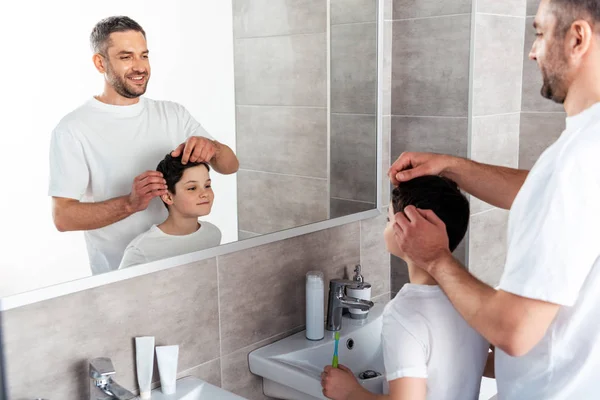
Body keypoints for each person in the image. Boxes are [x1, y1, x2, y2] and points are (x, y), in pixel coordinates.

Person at [388, 1, 600, 398]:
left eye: (539, 33)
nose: (533, 51)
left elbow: (514, 330)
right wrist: (451, 166)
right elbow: (543, 191)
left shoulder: (573, 161)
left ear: (577, 38)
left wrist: (436, 258)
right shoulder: (587, 150)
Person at [48, 16, 238, 274]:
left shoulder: (173, 114)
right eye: (126, 57)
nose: (140, 67)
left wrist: (213, 148)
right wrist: (130, 203)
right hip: (121, 282)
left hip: (187, 271)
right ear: (100, 62)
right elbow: (63, 218)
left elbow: (230, 166)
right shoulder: (74, 129)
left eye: (144, 56)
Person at [321, 176, 489, 400]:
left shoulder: (404, 313)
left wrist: (350, 392)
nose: (386, 226)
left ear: (405, 230)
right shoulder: (474, 298)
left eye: (389, 219)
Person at [119, 154, 221, 268]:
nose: (205, 194)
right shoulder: (141, 250)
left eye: (207, 185)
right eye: (192, 188)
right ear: (168, 197)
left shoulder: (213, 233)